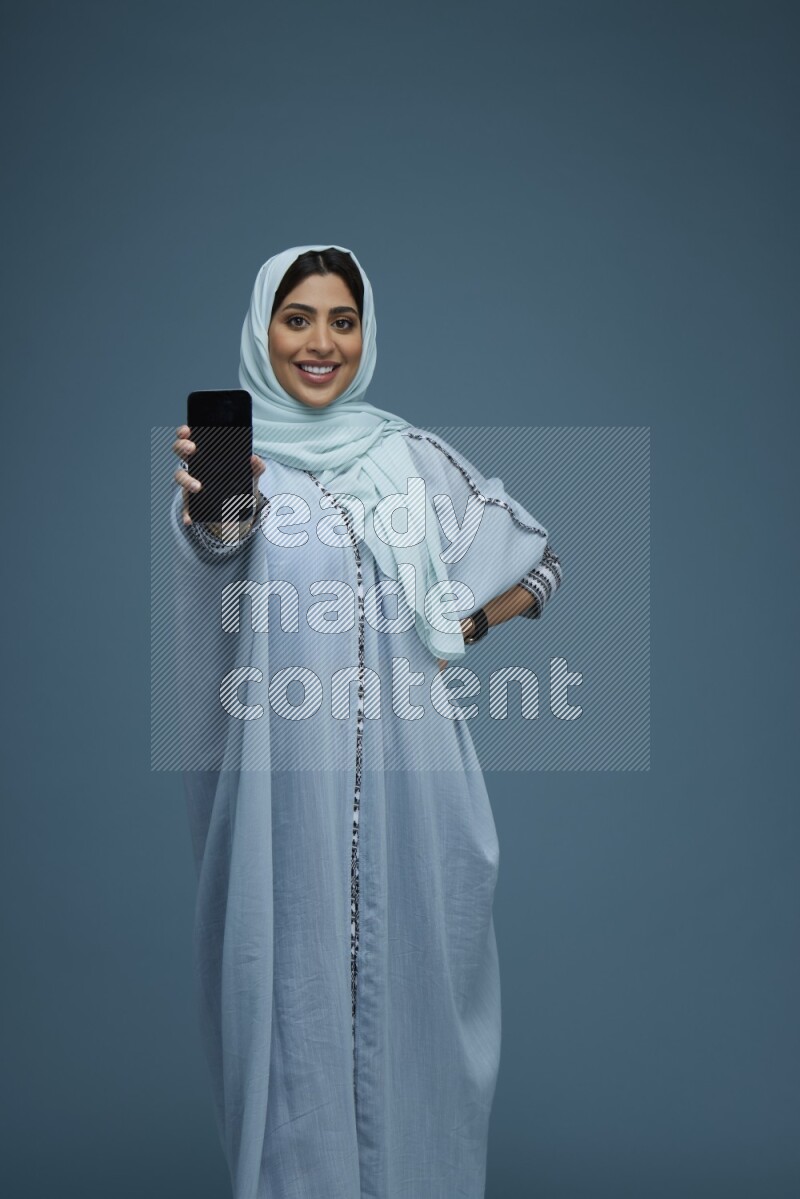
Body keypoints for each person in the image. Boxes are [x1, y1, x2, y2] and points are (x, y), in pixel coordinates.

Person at [170, 244, 563, 1199]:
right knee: (288, 1008)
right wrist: (220, 517)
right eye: (296, 318)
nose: (321, 342)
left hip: (418, 796)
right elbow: (216, 549)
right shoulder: (240, 466)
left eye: (341, 320)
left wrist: (466, 623)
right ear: (263, 331)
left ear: (366, 332)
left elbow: (542, 563)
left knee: (420, 1006)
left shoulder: (411, 459)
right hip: (288, 798)